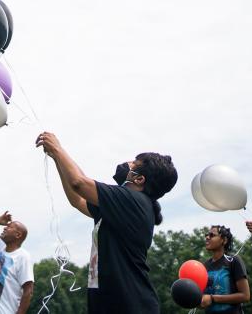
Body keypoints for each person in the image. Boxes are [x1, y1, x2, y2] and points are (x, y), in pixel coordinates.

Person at [36, 131, 178, 313]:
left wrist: (57, 148)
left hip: (131, 306)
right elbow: (78, 200)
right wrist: (57, 157)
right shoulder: (123, 206)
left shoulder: (133, 201)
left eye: (134, 163)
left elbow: (79, 182)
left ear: (139, 178)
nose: (127, 163)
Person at [0, 210, 34, 314]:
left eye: (10, 227)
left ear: (18, 235)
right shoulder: (0, 246)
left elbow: (28, 290)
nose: (5, 227)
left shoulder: (23, 257)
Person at [200, 224, 250, 312]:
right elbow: (204, 297)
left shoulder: (234, 261)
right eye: (206, 235)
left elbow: (245, 296)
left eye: (212, 235)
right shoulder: (205, 265)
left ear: (224, 240)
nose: (207, 237)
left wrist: (213, 298)